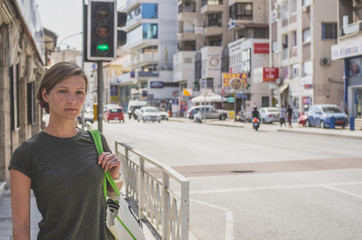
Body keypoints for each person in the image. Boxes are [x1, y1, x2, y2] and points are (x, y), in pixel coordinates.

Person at [9, 62, 122, 240]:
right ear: (45, 95)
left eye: (79, 92)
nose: (72, 100)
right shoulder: (26, 153)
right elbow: (21, 227)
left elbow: (110, 195)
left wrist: (115, 176)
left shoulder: (96, 140)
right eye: (63, 91)